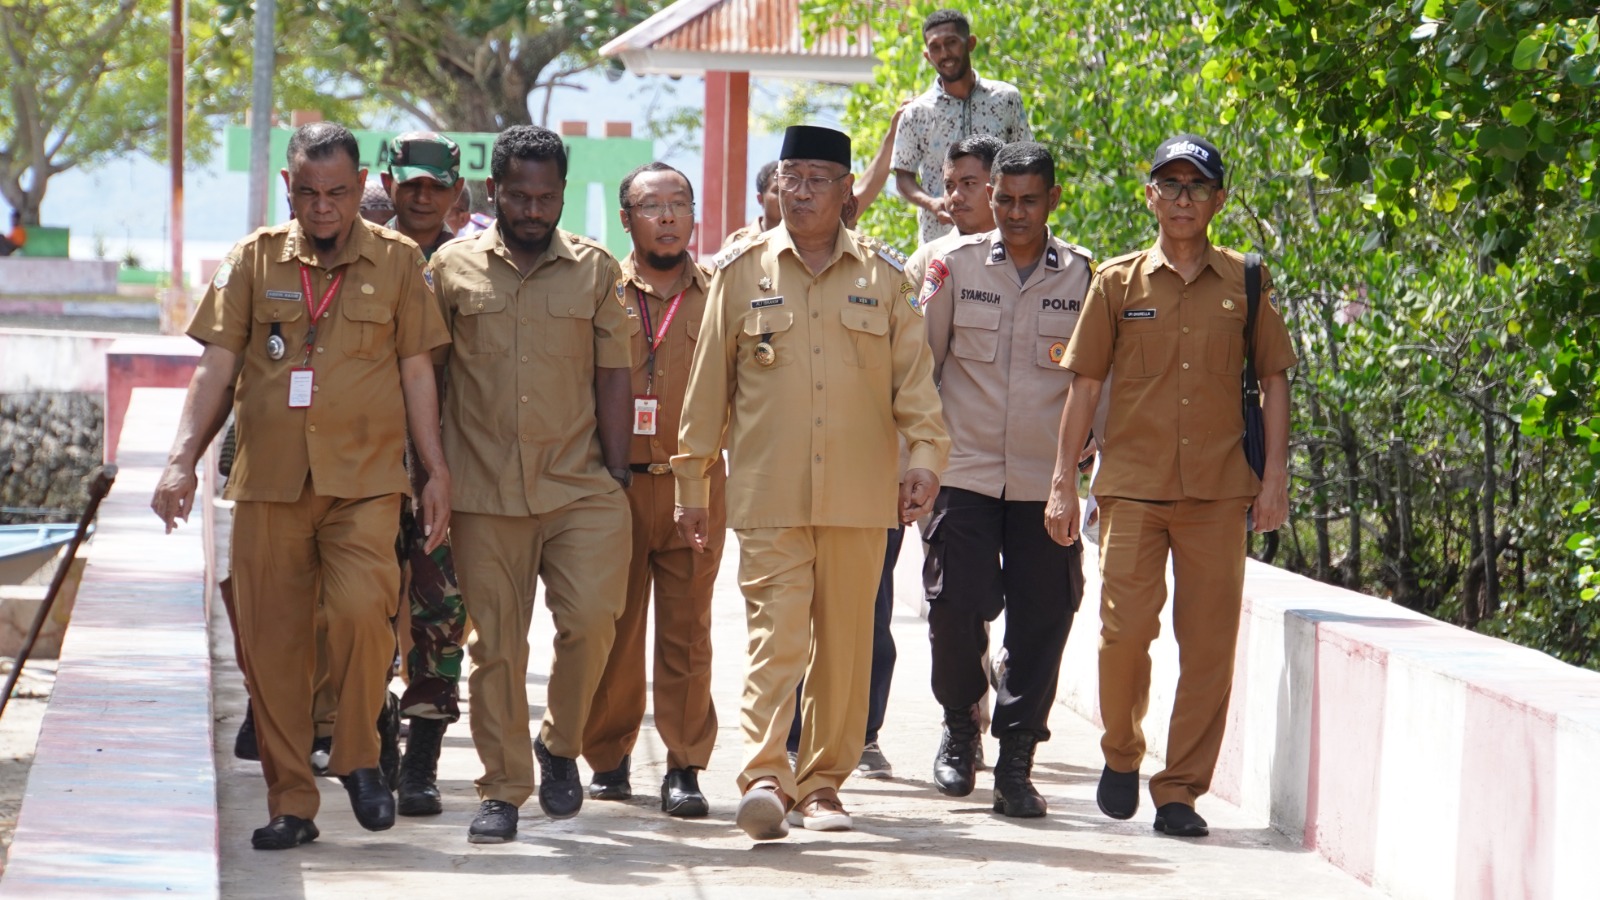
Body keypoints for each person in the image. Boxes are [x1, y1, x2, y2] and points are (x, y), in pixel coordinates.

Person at [151, 122, 452, 850]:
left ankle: (356, 755)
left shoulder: (399, 261)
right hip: (272, 485)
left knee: (360, 615)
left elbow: (418, 370)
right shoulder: (253, 261)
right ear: (290, 188)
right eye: (310, 194)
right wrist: (181, 458)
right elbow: (216, 368)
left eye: (339, 194)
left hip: (366, 481)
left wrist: (434, 469)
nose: (323, 208)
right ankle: (292, 802)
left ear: (361, 191)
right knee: (275, 646)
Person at [674, 124, 949, 840]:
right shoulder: (739, 274)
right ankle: (766, 773)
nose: (799, 190)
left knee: (847, 646)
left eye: (816, 178)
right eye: (789, 176)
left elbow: (916, 391)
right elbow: (707, 395)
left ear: (846, 191)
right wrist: (692, 488)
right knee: (777, 636)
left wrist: (925, 459)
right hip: (770, 495)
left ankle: (824, 785)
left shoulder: (887, 279)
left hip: (862, 499)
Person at [1044, 134, 1295, 838]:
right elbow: (1084, 383)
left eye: (1197, 186)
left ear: (1219, 199)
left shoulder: (1247, 281)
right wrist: (1063, 481)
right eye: (1170, 185)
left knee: (1209, 646)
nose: (1183, 198)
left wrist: (1273, 479)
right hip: (1131, 487)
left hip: (1219, 493)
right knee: (1122, 636)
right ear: (1149, 195)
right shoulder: (1118, 282)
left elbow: (1273, 380)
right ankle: (1121, 753)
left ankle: (1180, 789)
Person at [427, 125, 633, 844]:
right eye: (520, 195)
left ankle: (560, 743)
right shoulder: (451, 271)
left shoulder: (596, 271)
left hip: (579, 485)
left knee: (592, 622)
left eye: (547, 197)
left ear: (562, 196)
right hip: (482, 490)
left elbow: (614, 371)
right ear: (494, 191)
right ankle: (504, 789)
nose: (534, 210)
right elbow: (430, 375)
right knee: (497, 649)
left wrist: (616, 472)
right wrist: (433, 471)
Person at [919, 141, 1092, 818]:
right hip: (962, 472)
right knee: (952, 606)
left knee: (1044, 618)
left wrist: (1085, 470)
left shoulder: (1083, 277)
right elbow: (919, 369)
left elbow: (1094, 383)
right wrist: (916, 461)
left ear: (1053, 199)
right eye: (1004, 199)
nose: (1016, 213)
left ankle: (1017, 756)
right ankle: (962, 721)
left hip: (1044, 481)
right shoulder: (952, 266)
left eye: (1029, 200)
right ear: (990, 198)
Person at [582, 162, 725, 818]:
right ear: (625, 220)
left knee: (688, 630)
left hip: (694, 486)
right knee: (612, 626)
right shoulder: (599, 289)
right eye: (651, 206)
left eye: (678, 204)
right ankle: (607, 757)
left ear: (694, 215)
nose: (666, 217)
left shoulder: (721, 291)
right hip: (614, 484)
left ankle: (685, 765)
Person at [377, 130, 469, 817]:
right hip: (372, 463)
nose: (421, 195)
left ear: (455, 192)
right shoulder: (362, 255)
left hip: (448, 466)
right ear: (388, 183)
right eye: (410, 183)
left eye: (434, 186)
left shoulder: (472, 265)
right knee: (367, 612)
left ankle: (422, 764)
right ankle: (373, 740)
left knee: (440, 615)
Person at [892, 9, 1032, 245]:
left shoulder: (1006, 99)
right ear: (927, 56)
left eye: (952, 42)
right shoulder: (916, 113)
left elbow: (1026, 161)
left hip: (1001, 239)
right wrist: (932, 203)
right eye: (935, 47)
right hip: (940, 240)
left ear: (971, 43)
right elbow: (903, 176)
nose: (944, 53)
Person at [720, 161, 782, 251]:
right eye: (777, 191)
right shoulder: (737, 243)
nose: (784, 197)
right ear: (760, 198)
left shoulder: (805, 243)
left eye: (788, 191)